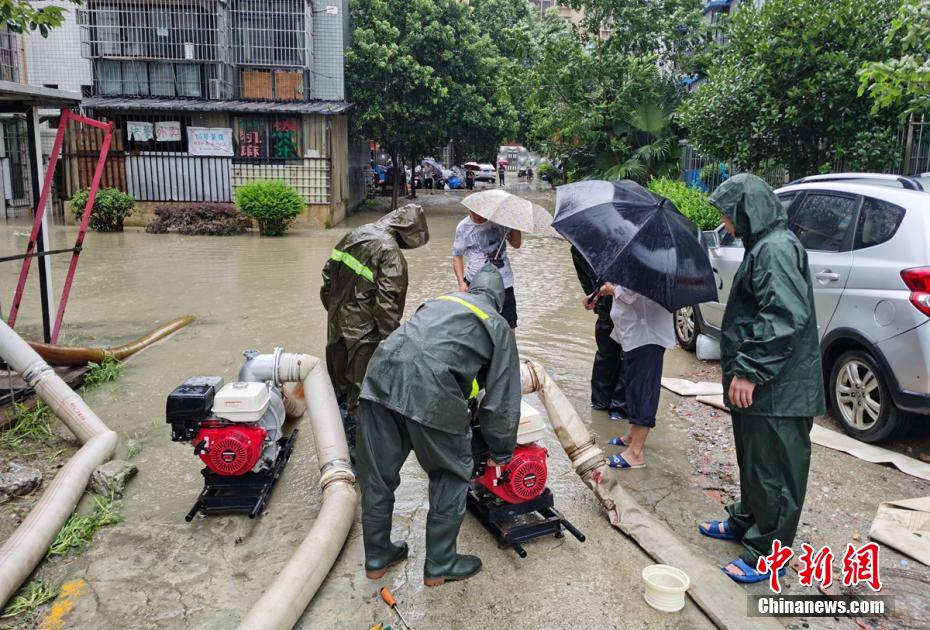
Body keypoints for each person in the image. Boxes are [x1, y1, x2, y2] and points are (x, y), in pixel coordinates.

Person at [356, 264, 522, 585]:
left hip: (380, 372)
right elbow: (501, 402)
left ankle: (377, 557)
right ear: (498, 299)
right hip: (431, 390)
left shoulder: (441, 300)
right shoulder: (497, 324)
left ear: (472, 289)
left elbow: (427, 345)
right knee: (450, 473)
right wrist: (501, 452)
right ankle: (441, 564)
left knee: (377, 475)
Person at [698, 174, 824, 584]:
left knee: (777, 470)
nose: (724, 223)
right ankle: (746, 521)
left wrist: (749, 371)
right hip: (766, 385)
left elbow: (783, 316)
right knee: (753, 460)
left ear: (745, 211)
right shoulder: (762, 246)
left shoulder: (777, 249)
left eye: (726, 215)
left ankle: (769, 552)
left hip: (780, 388)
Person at [320, 204, 430, 447]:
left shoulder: (355, 234)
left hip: (336, 325)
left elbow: (327, 277)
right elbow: (388, 305)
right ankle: (360, 452)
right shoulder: (391, 253)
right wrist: (391, 344)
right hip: (364, 334)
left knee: (339, 385)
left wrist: (336, 311)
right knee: (362, 394)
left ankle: (334, 439)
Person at [593, 280, 675, 468]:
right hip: (635, 332)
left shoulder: (653, 260)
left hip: (647, 334)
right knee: (634, 386)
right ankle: (632, 436)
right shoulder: (643, 255)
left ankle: (636, 453)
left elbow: (635, 292)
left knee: (643, 389)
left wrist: (613, 289)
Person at [571, 246, 627, 420]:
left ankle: (620, 407)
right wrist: (593, 298)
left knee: (627, 356)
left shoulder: (621, 243)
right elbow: (587, 281)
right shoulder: (577, 249)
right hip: (605, 306)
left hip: (628, 308)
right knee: (605, 353)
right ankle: (601, 402)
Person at [452, 211, 522, 328]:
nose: (478, 216)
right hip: (476, 283)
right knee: (477, 325)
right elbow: (457, 257)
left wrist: (514, 225)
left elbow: (516, 244)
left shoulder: (501, 222)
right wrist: (461, 283)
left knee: (508, 325)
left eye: (481, 214)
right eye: (474, 213)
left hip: (504, 283)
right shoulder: (463, 227)